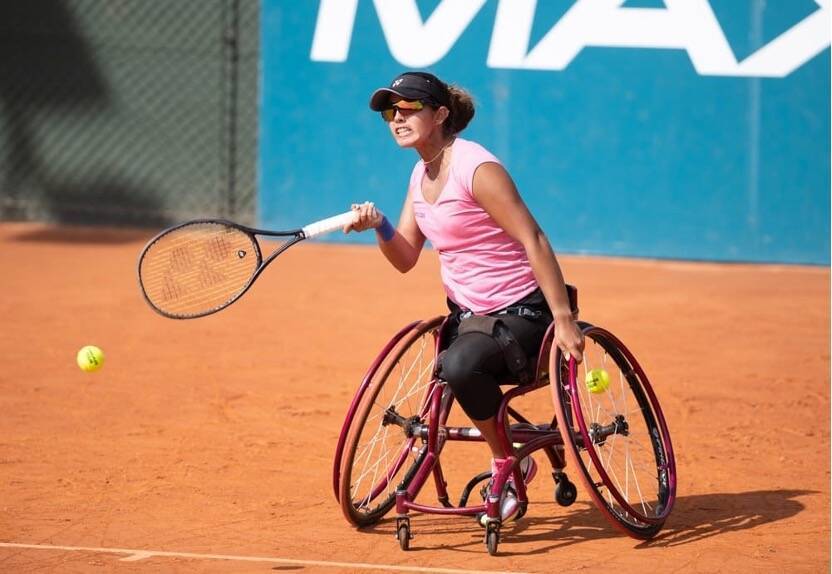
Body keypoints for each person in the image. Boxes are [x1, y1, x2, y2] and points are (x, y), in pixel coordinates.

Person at [345, 71, 585, 524]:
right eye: (390, 112)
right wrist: (379, 226)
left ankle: (506, 461)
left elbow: (533, 237)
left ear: (439, 115)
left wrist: (564, 316)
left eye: (409, 108)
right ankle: (512, 453)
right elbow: (405, 258)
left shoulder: (476, 168)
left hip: (523, 316)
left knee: (459, 365)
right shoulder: (420, 175)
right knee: (453, 360)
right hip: (468, 318)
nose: (397, 118)